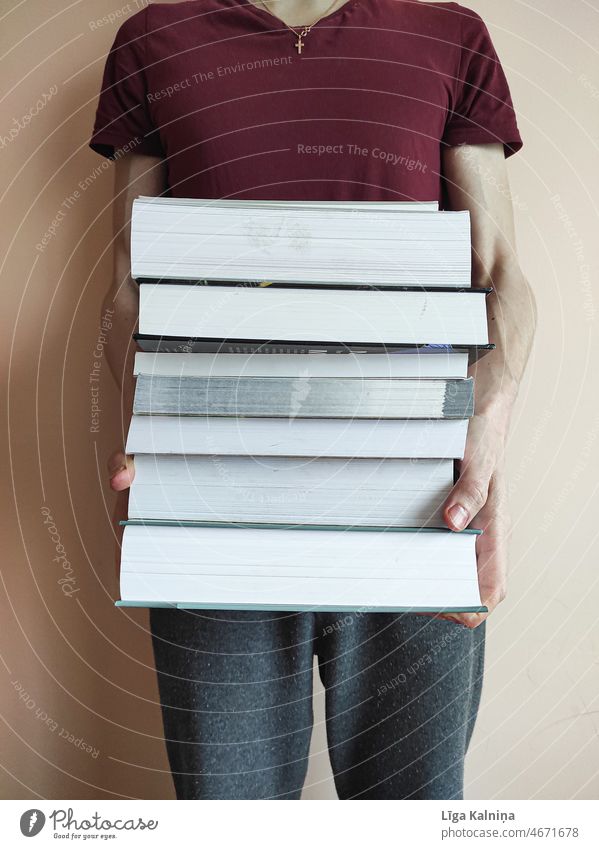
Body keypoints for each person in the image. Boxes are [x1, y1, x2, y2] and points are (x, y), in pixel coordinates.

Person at [89, 0, 536, 799]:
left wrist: (488, 442)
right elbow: (130, 282)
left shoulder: (449, 36)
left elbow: (497, 271)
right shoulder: (153, 39)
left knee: (413, 811)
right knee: (231, 814)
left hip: (417, 496)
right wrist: (136, 448)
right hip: (207, 497)